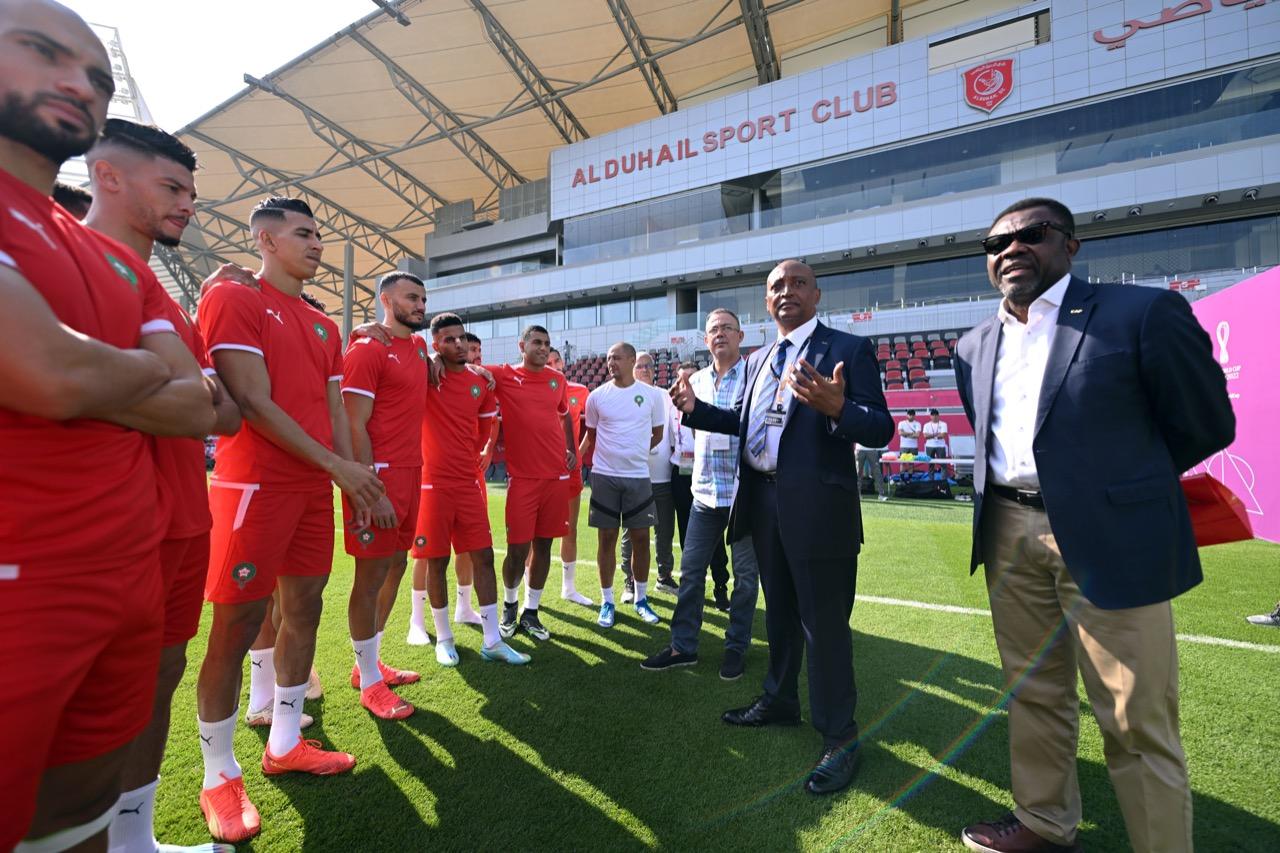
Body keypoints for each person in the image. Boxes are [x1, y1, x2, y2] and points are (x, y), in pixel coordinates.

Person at [953, 197, 1234, 853]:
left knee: (1136, 717)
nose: (1012, 249)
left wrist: (1114, 486)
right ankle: (1046, 824)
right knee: (1033, 694)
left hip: (1111, 535)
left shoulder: (1141, 313)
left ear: (1070, 245)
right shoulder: (973, 344)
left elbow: (1207, 424)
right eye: (996, 244)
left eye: (1032, 234)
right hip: (1007, 532)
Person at [0, 4, 217, 844]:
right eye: (42, 52)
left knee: (77, 809)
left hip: (118, 570)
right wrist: (120, 371)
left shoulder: (99, 257)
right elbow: (49, 373)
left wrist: (89, 369)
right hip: (20, 588)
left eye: (96, 76)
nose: (77, 83)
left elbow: (196, 402)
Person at [195, 197, 385, 843]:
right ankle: (219, 776)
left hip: (311, 487)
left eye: (319, 234)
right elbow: (250, 399)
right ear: (266, 240)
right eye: (304, 233)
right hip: (254, 485)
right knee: (237, 624)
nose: (317, 244)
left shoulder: (324, 324)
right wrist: (338, 464)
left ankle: (283, 741)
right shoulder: (235, 298)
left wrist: (348, 475)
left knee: (304, 608)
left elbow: (333, 405)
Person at [670, 259, 892, 795]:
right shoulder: (762, 358)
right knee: (783, 616)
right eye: (775, 287)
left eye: (797, 284)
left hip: (819, 511)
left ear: (816, 295)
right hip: (763, 505)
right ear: (766, 302)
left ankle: (840, 735)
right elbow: (745, 424)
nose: (786, 292)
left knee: (825, 625)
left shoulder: (848, 349)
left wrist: (840, 408)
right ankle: (780, 699)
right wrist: (697, 409)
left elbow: (881, 426)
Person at [83, 118, 245, 853]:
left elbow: (226, 413)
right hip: (106, 527)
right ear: (108, 177)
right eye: (171, 187)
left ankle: (134, 838)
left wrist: (178, 392)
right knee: (90, 698)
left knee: (159, 678)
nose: (187, 204)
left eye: (190, 190)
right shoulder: (70, 263)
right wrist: (184, 392)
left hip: (186, 517)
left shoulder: (167, 299)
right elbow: (69, 384)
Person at [401, 313, 529, 665]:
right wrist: (427, 359)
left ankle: (492, 640)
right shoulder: (424, 375)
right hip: (432, 484)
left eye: (461, 338)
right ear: (435, 344)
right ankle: (443, 637)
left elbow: (487, 428)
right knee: (436, 561)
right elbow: (402, 343)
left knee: (483, 556)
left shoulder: (481, 383)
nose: (457, 345)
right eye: (448, 339)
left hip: (469, 483)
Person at [642, 309, 761, 681]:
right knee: (691, 574)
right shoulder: (695, 381)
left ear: (740, 336)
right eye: (713, 330)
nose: (720, 334)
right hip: (705, 493)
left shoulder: (755, 378)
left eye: (727, 328)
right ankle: (683, 646)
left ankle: (736, 647)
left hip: (745, 494)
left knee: (745, 578)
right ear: (706, 341)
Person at [340, 272, 430, 720]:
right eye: (411, 297)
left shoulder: (418, 347)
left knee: (396, 564)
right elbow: (353, 424)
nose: (419, 304)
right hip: (378, 479)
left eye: (423, 298)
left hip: (413, 474)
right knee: (370, 576)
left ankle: (368, 666)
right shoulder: (366, 348)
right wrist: (370, 491)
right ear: (386, 300)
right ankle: (369, 683)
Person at [484, 325, 578, 641]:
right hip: (523, 478)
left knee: (544, 546)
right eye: (536, 342)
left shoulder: (558, 380)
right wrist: (436, 360)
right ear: (522, 345)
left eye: (547, 344)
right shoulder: (505, 375)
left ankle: (531, 612)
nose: (542, 348)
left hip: (556, 477)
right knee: (517, 549)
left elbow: (565, 415)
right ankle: (510, 605)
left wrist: (570, 450)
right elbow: (469, 367)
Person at [581, 342, 667, 628]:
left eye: (617, 358)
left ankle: (641, 599)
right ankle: (607, 601)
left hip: (639, 477)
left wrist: (634, 453)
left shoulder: (652, 396)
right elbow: (590, 436)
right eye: (608, 358)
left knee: (641, 538)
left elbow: (657, 434)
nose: (611, 362)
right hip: (604, 477)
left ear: (632, 360)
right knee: (607, 539)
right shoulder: (596, 397)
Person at [669, 361, 733, 611]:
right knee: (687, 536)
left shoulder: (710, 402)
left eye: (690, 379)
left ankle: (720, 585)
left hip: (710, 472)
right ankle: (695, 590)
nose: (685, 384)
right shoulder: (669, 403)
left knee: (715, 539)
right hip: (681, 474)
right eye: (680, 379)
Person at [619, 350, 679, 596]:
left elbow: (675, 431)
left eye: (649, 366)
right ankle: (629, 580)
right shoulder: (623, 396)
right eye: (640, 366)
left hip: (663, 475)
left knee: (664, 530)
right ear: (632, 369)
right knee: (630, 532)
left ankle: (664, 576)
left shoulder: (665, 396)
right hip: (634, 477)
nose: (645, 369)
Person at [548, 348, 594, 606]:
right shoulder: (536, 389)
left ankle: (569, 588)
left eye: (557, 360)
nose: (553, 365)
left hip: (570, 472)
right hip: (541, 472)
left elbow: (595, 425)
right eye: (549, 361)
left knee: (570, 530)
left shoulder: (580, 391)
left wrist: (579, 452)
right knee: (535, 535)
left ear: (563, 363)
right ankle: (530, 593)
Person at [922, 408, 949, 476]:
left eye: (936, 415)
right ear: (930, 416)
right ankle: (931, 481)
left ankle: (943, 481)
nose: (934, 417)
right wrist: (936, 434)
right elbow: (925, 436)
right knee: (931, 464)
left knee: (943, 464)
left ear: (938, 416)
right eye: (933, 415)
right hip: (929, 446)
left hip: (940, 446)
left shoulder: (943, 424)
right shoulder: (926, 425)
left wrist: (930, 435)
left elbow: (943, 435)